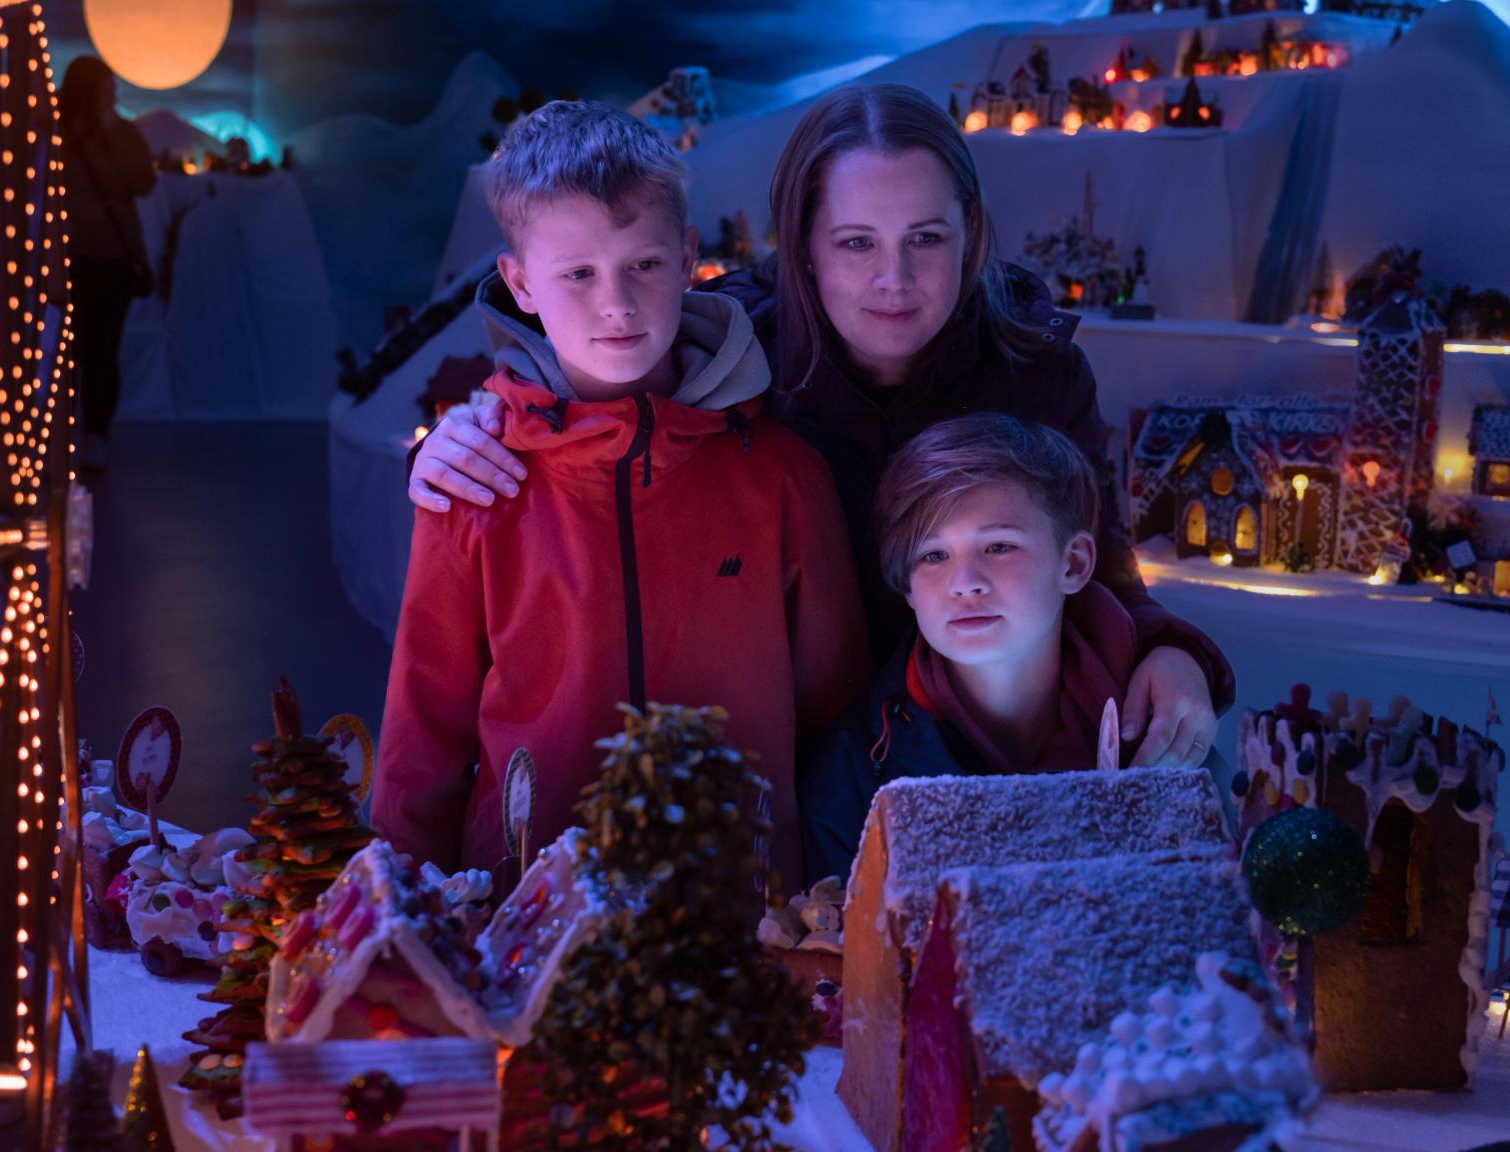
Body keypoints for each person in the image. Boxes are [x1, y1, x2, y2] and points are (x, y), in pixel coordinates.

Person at [408, 83, 1232, 769]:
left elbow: (1100, 561)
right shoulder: (734, 355)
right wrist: (485, 423)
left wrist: (1173, 649)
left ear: (971, 236)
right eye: (855, 243)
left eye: (927, 240)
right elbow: (606, 388)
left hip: (993, 739)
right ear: (802, 248)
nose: (893, 280)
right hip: (812, 766)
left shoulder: (1032, 366)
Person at [371, 102, 867, 886]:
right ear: (520, 283)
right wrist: (404, 924)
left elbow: (832, 711)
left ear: (688, 254)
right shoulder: (475, 486)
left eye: (643, 264)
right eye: (578, 273)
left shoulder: (782, 478)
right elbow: (422, 734)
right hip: (523, 924)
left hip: (742, 922)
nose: (617, 302)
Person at [801, 413, 1139, 883]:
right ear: (908, 589)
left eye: (999, 546)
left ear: (1074, 563)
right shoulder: (852, 777)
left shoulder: (1158, 737)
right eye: (934, 555)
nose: (965, 584)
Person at [59, 56, 155, 469]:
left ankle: (93, 433)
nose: (110, 97)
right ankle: (74, 434)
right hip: (76, 257)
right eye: (104, 89)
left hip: (110, 258)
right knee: (75, 351)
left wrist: (115, 131)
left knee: (99, 350)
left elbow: (142, 183)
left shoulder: (120, 133)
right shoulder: (61, 134)